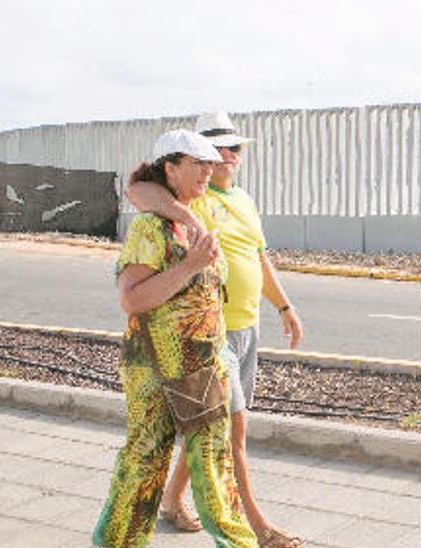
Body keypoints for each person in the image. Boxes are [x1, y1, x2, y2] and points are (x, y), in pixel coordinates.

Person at [126, 112, 304, 548]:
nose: (226, 157)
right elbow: (136, 188)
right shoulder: (194, 198)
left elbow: (257, 258)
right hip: (214, 334)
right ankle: (256, 528)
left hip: (248, 329)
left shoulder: (242, 200)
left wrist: (283, 305)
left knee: (210, 427)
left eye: (234, 149)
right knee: (232, 431)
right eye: (214, 150)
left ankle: (170, 502)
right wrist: (185, 215)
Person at [93, 129, 258, 547]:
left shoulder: (193, 212)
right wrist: (189, 267)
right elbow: (132, 298)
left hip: (200, 368)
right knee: (145, 461)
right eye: (196, 164)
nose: (208, 171)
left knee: (214, 463)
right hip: (154, 368)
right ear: (170, 168)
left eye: (210, 163)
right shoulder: (151, 228)